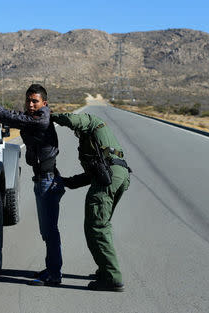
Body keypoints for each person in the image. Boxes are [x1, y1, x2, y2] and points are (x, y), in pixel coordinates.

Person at [0, 84, 65, 286]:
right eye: (28, 100)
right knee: (48, 231)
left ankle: (54, 274)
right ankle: (52, 268)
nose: (31, 104)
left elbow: (15, 119)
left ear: (44, 103)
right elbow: (16, 116)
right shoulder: (34, 118)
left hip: (47, 180)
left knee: (50, 231)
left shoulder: (41, 119)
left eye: (35, 101)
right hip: (44, 178)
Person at [51, 112, 130, 292]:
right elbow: (91, 174)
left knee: (97, 228)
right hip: (116, 176)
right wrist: (67, 182)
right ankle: (105, 270)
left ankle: (112, 278)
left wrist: (52, 116)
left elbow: (72, 120)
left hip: (109, 177)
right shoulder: (94, 137)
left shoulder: (90, 121)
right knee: (102, 225)